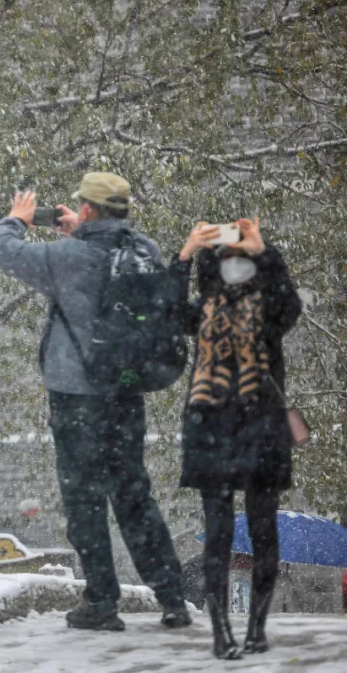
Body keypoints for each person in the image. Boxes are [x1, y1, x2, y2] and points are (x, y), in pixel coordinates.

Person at [0, 172, 189, 631]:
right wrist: (80, 232)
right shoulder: (145, 251)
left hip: (77, 397)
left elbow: (4, 251)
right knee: (134, 495)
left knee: (85, 500)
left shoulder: (65, 257)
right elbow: (104, 261)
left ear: (89, 209)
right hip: (125, 393)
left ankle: (102, 602)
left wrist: (15, 219)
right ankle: (172, 595)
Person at [176, 218, 301, 659]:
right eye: (226, 257)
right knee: (219, 536)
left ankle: (257, 628)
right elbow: (168, 309)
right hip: (212, 433)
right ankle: (220, 632)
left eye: (240, 258)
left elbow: (290, 307)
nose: (234, 264)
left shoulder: (268, 308)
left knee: (264, 533)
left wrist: (262, 248)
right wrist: (188, 252)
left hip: (261, 432)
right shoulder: (203, 307)